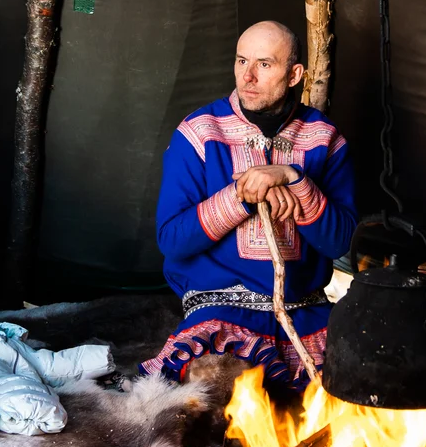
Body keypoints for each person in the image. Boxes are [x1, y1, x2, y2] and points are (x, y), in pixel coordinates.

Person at [143, 21, 356, 388]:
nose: (248, 76)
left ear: (294, 75)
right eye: (241, 61)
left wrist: (294, 179)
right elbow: (172, 241)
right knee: (227, 387)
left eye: (264, 64)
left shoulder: (323, 137)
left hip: (304, 309)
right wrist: (240, 195)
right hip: (221, 310)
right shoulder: (200, 132)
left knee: (358, 383)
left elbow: (341, 242)